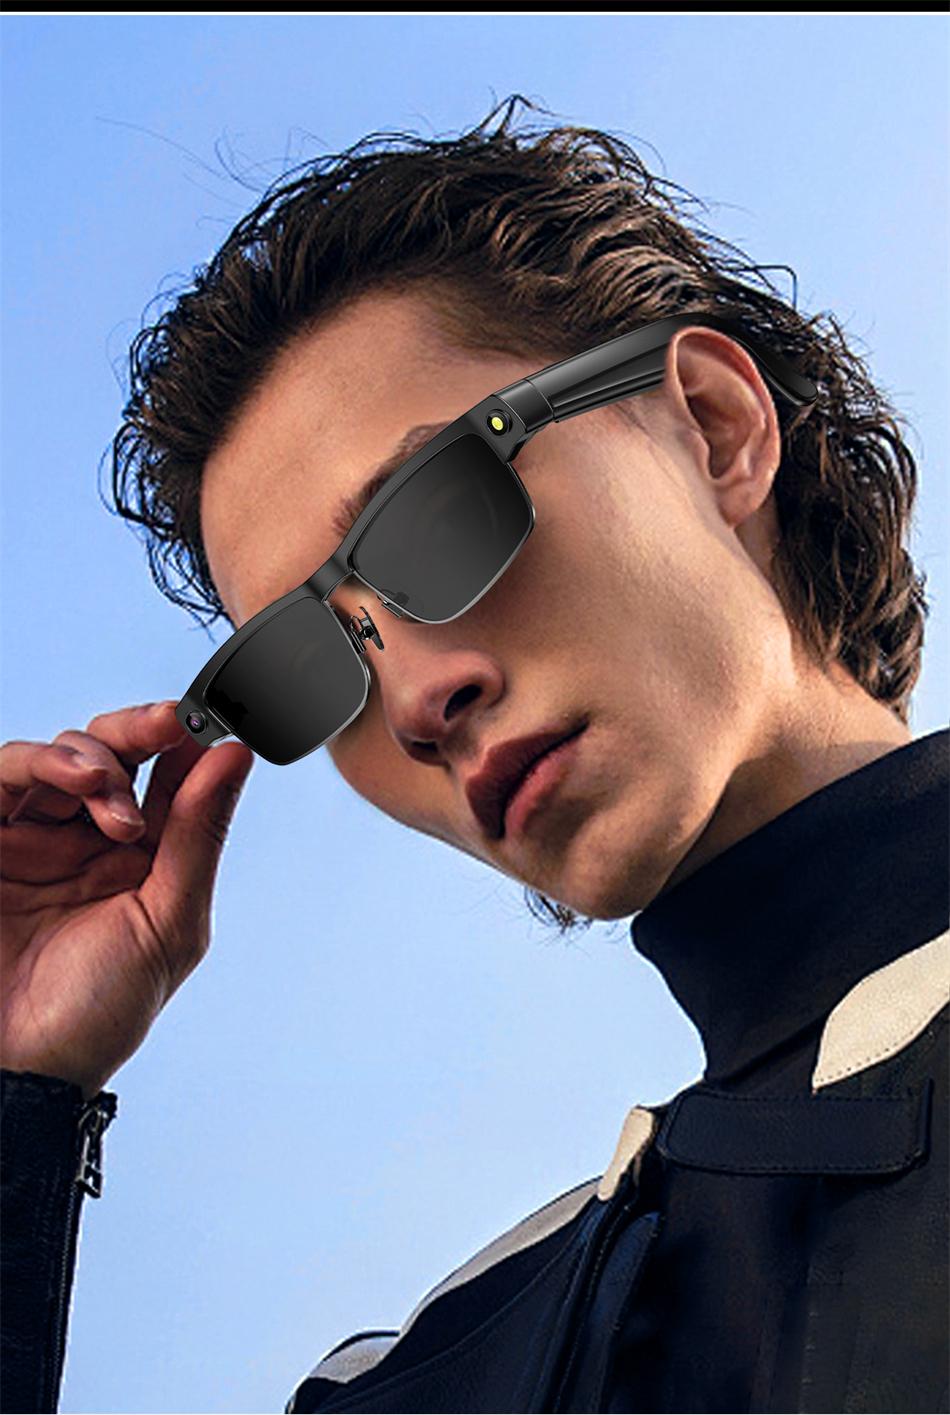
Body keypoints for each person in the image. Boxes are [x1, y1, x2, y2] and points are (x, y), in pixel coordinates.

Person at [1, 94, 947, 1414]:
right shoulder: (444, 1369)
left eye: (433, 517)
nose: (411, 702)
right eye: (312, 663)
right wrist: (17, 1101)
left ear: (715, 426)